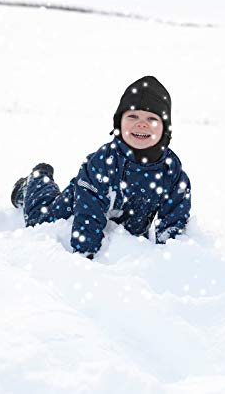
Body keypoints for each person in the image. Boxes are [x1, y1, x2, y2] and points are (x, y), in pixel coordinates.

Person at [10, 75, 191, 259]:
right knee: (38, 221)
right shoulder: (104, 162)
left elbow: (174, 219)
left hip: (126, 231)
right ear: (119, 122)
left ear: (165, 128)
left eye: (152, 118)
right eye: (133, 116)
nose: (141, 124)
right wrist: (85, 255)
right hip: (75, 208)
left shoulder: (171, 171)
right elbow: (88, 212)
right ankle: (37, 180)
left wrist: (170, 257)